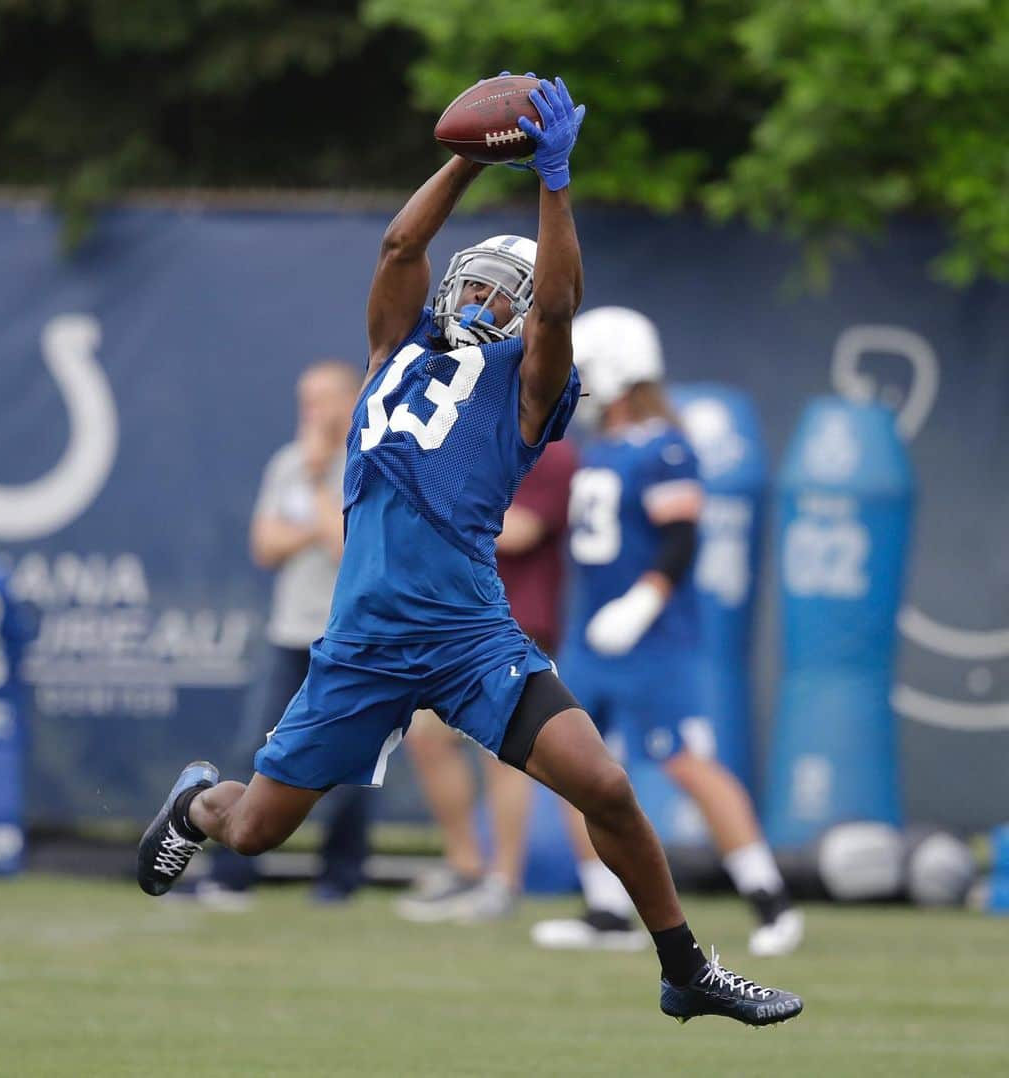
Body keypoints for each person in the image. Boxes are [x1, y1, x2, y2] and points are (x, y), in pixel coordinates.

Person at [137, 75, 802, 1027]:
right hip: (363, 641)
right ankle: (198, 802)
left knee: (606, 785)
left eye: (506, 291)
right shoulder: (390, 350)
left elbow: (561, 313)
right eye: (477, 280)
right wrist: (469, 154)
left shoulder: (529, 390)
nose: (484, 295)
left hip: (467, 637)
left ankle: (685, 967)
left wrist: (553, 180)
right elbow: (402, 243)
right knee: (249, 833)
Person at [531, 306, 804, 957]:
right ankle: (606, 909)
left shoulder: (666, 446)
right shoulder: (600, 449)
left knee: (687, 763)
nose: (581, 386)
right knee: (570, 765)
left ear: (620, 368)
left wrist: (642, 604)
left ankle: (770, 899)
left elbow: (681, 541)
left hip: (653, 639)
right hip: (591, 637)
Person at [187, 358, 369, 910]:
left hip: (348, 638)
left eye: (320, 400)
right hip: (289, 632)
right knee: (255, 749)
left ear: (347, 400)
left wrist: (316, 488)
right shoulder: (288, 463)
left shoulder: (369, 458)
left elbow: (348, 549)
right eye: (304, 401)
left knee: (351, 764)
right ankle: (230, 877)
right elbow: (265, 546)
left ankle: (339, 879)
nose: (310, 413)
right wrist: (315, 511)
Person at [395, 437, 577, 923]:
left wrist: (439, 517)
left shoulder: (552, 453)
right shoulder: (472, 443)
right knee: (426, 740)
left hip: (518, 621)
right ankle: (466, 866)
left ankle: (504, 880)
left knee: (504, 755)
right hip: (459, 617)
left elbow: (520, 530)